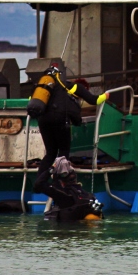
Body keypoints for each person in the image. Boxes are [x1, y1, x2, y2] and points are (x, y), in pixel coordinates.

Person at [27, 64, 108, 197]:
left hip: (43, 122)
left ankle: (38, 184)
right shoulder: (70, 86)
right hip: (60, 122)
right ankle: (60, 184)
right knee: (63, 153)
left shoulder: (40, 89)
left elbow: (32, 104)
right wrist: (106, 95)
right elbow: (95, 100)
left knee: (50, 153)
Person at [37, 156, 104, 221]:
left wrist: (51, 169)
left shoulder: (63, 196)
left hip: (68, 230)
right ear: (76, 178)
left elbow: (38, 184)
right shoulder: (88, 195)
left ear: (61, 182)